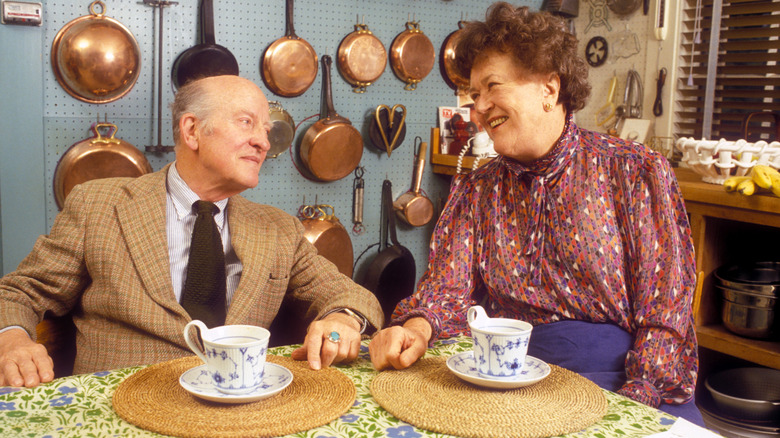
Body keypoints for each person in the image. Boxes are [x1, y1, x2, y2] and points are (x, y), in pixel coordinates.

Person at [369, 3, 703, 424]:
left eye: (492, 86)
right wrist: (416, 328)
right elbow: (445, 289)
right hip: (514, 381)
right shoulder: (477, 187)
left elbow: (665, 311)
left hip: (628, 382)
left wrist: (633, 402)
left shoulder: (634, 171)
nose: (479, 107)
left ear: (549, 88)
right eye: (474, 95)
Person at [0, 75, 383, 388]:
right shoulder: (97, 204)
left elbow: (348, 295)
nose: (264, 142)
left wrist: (342, 320)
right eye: (246, 122)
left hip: (238, 410)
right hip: (117, 405)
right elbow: (19, 291)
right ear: (192, 130)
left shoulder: (279, 228)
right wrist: (12, 339)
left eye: (266, 130)